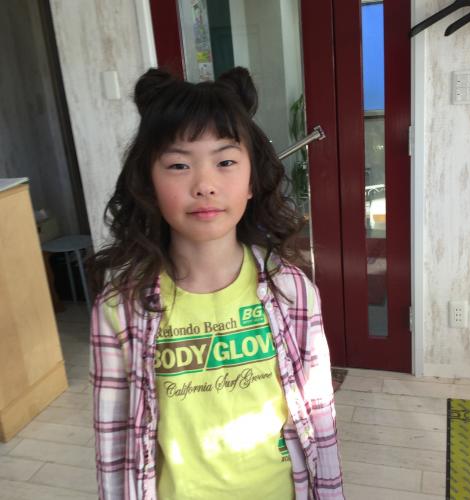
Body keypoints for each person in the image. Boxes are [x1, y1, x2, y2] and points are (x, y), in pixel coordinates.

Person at [88, 65, 344, 500]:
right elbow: (113, 440)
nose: (205, 185)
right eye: (178, 165)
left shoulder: (291, 290)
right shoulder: (120, 307)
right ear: (148, 184)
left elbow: (320, 416)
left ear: (252, 180)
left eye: (225, 162)